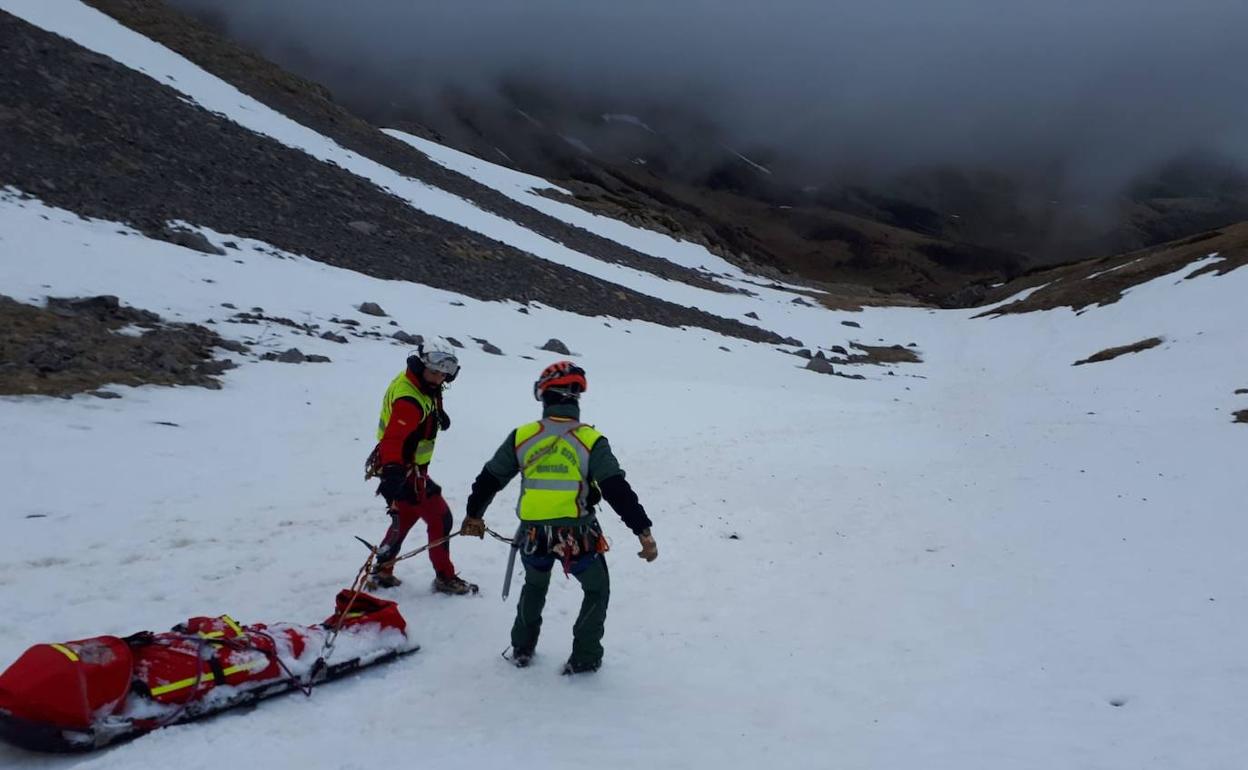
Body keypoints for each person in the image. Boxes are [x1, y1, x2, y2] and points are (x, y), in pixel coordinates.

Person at [459, 360, 657, 674]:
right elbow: (615, 488)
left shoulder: (522, 437)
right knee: (596, 589)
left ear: (543, 395)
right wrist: (642, 530)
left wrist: (474, 515)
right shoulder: (591, 441)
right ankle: (585, 656)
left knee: (535, 586)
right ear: (577, 397)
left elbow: (489, 479)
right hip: (578, 538)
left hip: (534, 537)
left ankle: (522, 647)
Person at [366, 344, 477, 595]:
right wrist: (393, 472)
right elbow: (393, 439)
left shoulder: (418, 380)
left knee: (405, 516)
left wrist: (438, 412)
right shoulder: (409, 400)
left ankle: (382, 571)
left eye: (444, 374)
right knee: (440, 517)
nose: (439, 379)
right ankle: (445, 578)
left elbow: (431, 392)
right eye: (435, 372)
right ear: (422, 364)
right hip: (404, 471)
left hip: (410, 468)